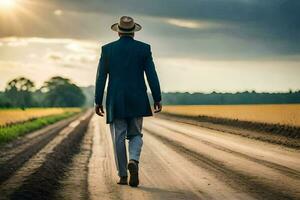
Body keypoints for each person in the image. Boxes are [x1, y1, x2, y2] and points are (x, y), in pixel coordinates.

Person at [94, 16, 162, 187]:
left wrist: (98, 101)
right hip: (137, 97)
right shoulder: (144, 49)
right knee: (136, 134)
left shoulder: (107, 49)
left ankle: (123, 175)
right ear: (133, 31)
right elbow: (152, 75)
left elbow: (101, 77)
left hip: (115, 99)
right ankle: (134, 160)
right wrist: (157, 97)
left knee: (118, 137)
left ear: (118, 31)